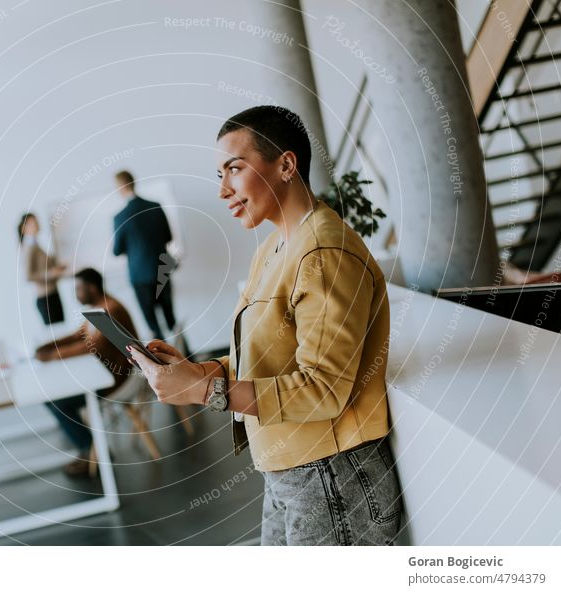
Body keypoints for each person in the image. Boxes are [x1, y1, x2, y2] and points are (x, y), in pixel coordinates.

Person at [129, 105, 403, 546]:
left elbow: (326, 388)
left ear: (286, 165)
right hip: (291, 470)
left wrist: (204, 392)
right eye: (220, 173)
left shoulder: (323, 253)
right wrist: (197, 374)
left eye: (233, 169)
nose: (223, 189)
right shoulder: (274, 248)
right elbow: (262, 357)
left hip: (333, 474)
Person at [34, 268, 137, 476]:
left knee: (56, 401)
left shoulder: (110, 310)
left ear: (91, 288)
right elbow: (79, 335)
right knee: (56, 397)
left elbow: (91, 346)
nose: (75, 295)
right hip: (107, 375)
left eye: (78, 289)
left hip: (117, 381)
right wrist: (48, 345)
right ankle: (92, 449)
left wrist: (50, 355)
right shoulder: (100, 307)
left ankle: (93, 451)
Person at [112, 171, 177, 339]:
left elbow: (117, 250)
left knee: (153, 325)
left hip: (139, 276)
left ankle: (162, 363)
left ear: (120, 188)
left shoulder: (120, 217)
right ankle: (187, 359)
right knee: (171, 320)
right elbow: (168, 236)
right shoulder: (155, 206)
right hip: (162, 269)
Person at [18, 212, 68, 325]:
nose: (36, 224)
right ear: (23, 228)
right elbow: (28, 276)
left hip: (51, 294)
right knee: (56, 333)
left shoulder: (36, 245)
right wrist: (51, 273)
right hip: (46, 298)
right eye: (31, 223)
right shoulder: (29, 247)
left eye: (36, 221)